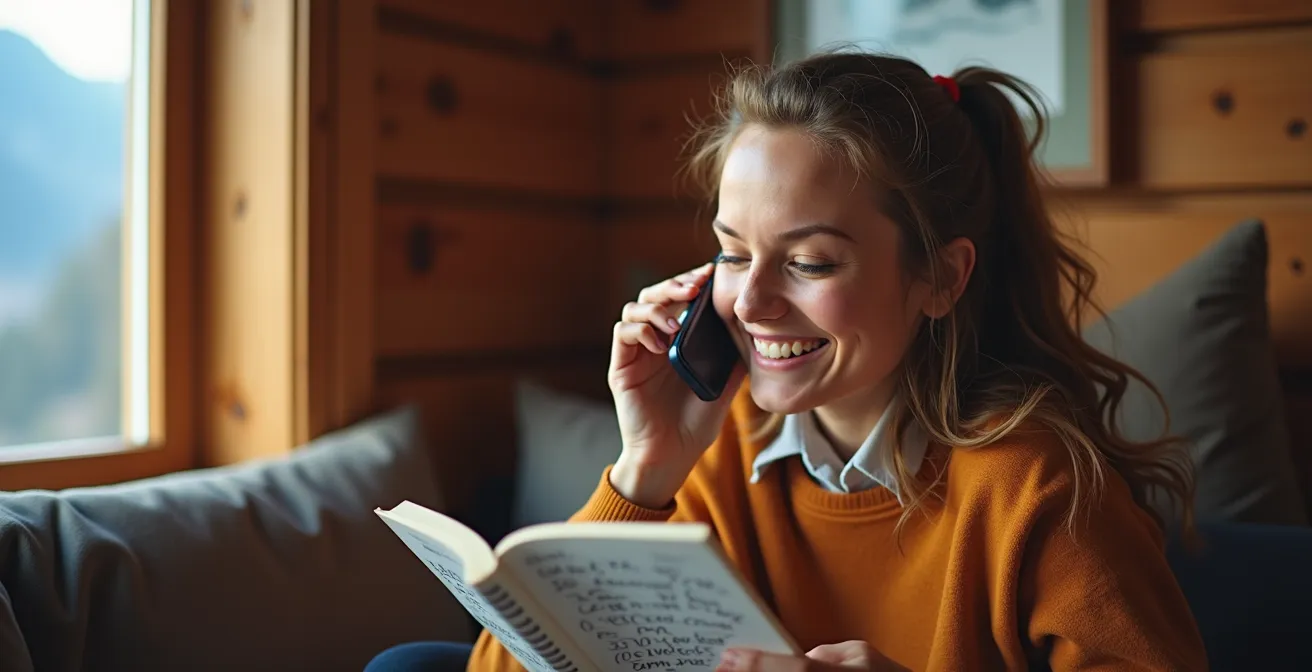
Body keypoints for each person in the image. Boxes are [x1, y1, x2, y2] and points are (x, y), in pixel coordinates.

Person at [368, 50, 1209, 672]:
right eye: (734, 254)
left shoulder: (1039, 490)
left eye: (809, 263)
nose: (752, 302)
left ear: (941, 278)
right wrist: (644, 473)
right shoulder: (719, 447)